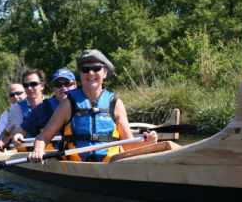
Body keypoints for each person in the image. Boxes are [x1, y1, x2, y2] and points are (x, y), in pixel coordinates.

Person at [30, 49, 158, 163]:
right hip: (76, 165)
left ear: (105, 73)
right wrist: (38, 150)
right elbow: (43, 137)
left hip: (111, 164)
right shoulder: (68, 104)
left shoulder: (115, 103)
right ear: (80, 74)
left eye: (96, 68)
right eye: (85, 69)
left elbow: (128, 145)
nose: (91, 73)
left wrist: (148, 143)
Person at [11, 68, 77, 147]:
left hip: (84, 154)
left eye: (67, 83)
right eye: (58, 85)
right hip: (54, 156)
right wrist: (18, 135)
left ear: (75, 85)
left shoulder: (86, 102)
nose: (63, 88)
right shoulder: (43, 108)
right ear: (53, 88)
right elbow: (21, 130)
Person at [0, 69, 46, 150]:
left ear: (42, 86)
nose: (29, 88)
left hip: (51, 151)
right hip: (25, 154)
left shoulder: (51, 104)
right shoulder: (16, 108)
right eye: (26, 85)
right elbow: (7, 133)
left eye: (33, 84)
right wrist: (1, 141)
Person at [0, 83, 26, 149]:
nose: (15, 96)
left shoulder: (40, 106)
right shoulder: (6, 115)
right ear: (9, 98)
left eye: (18, 93)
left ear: (26, 93)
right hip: (17, 150)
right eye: (12, 95)